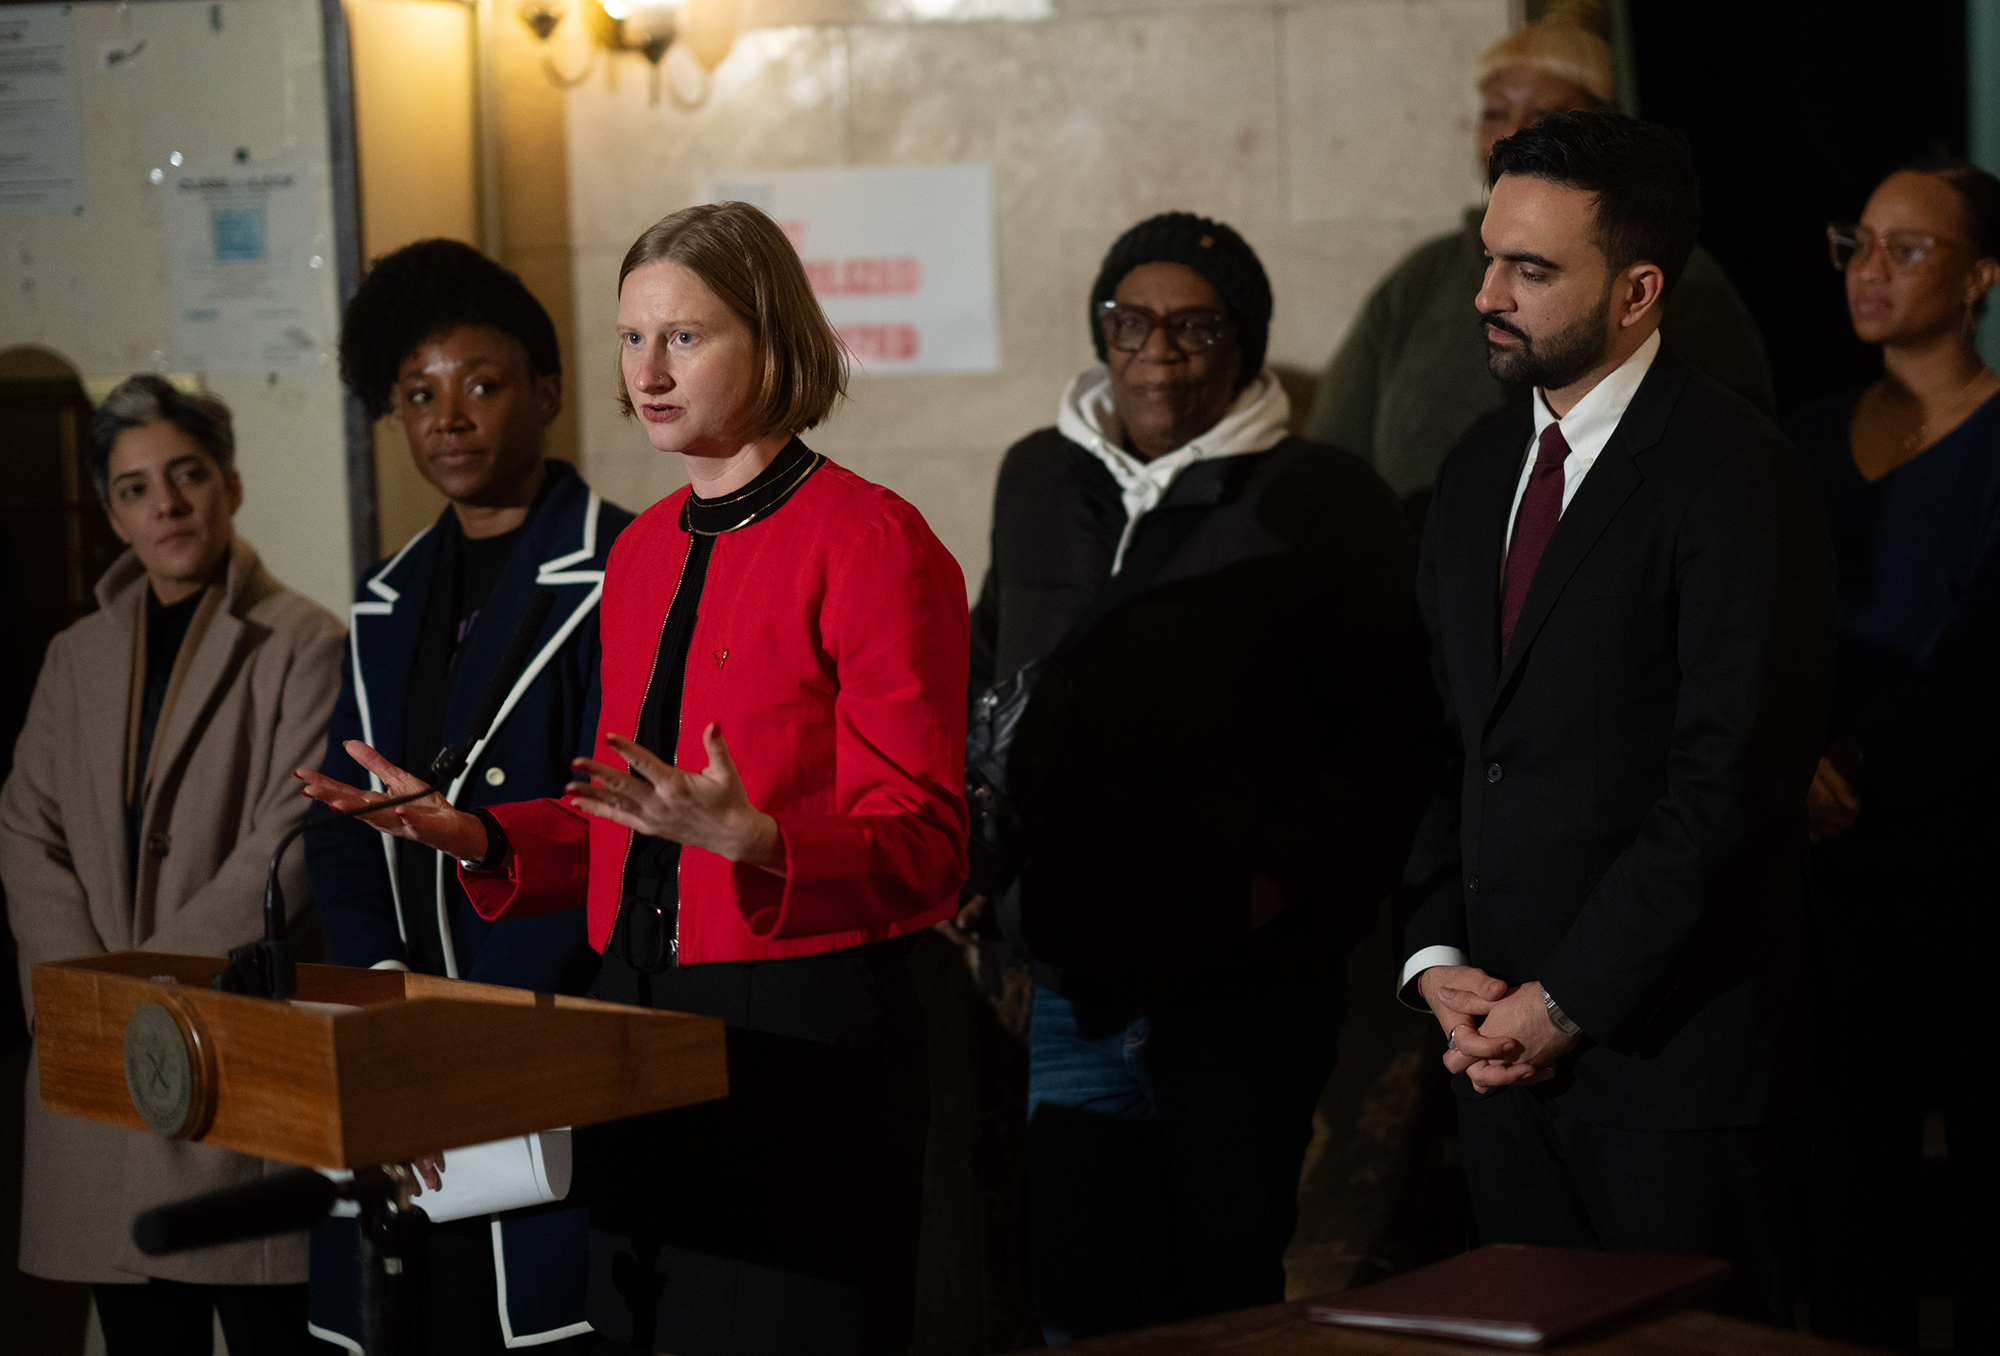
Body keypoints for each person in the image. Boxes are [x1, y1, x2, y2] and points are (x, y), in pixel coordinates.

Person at [295, 201, 968, 1356]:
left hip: (798, 1021)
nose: (646, 372)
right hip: (636, 1010)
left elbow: (929, 846)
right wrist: (483, 837)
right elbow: (628, 814)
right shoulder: (644, 547)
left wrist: (761, 845)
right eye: (628, 338)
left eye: (684, 339)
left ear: (771, 340)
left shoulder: (871, 540)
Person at [959, 212, 1437, 1340]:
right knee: (1076, 1286)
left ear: (1245, 343)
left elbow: (1391, 734)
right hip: (1074, 975)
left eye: (1192, 325)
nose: (1157, 350)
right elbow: (987, 680)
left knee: (1215, 1289)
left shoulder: (1322, 498)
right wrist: (974, 855)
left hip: (1240, 987)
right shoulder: (1039, 476)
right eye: (1130, 322)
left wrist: (1271, 888)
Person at [1396, 111, 1833, 1326]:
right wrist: (1435, 961)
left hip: (1672, 1071)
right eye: (1488, 255)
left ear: (1638, 290)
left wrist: (1565, 999)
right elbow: (1448, 744)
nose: (1486, 293)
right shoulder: (1475, 474)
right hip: (1491, 1062)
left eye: (1529, 270)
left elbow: (1730, 783)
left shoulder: (1734, 473)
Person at [303, 239, 632, 1355]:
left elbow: (611, 824)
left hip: (545, 1036)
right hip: (403, 1057)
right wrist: (391, 1007)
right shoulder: (386, 595)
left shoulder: (625, 569)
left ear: (545, 391)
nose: (448, 418)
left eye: (481, 385)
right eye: (418, 395)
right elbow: (338, 827)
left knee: (541, 1324)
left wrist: (461, 1043)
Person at [1, 377, 345, 1355]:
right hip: (99, 1057)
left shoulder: (306, 642)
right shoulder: (76, 656)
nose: (168, 505)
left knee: (269, 1315)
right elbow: (27, 835)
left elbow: (290, 845)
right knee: (140, 1328)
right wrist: (87, 999)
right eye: (137, 488)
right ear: (113, 513)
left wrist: (147, 994)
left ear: (231, 484)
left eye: (187, 475)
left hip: (230, 1049)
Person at [1785, 158, 2000, 1354]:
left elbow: (1981, 655)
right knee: (1845, 1185)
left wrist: (1854, 763)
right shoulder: (1804, 435)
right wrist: (1797, 764)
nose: (1869, 269)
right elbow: (1757, 622)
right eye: (1857, 243)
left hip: (1964, 853)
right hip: (1826, 864)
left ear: (1978, 277)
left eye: (1905, 249)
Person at [1302, 0, 1773, 521]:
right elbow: (1331, 465)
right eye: (1496, 113)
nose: (1513, 135)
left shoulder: (1680, 278)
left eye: (1546, 116)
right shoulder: (1421, 279)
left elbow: (1728, 453)